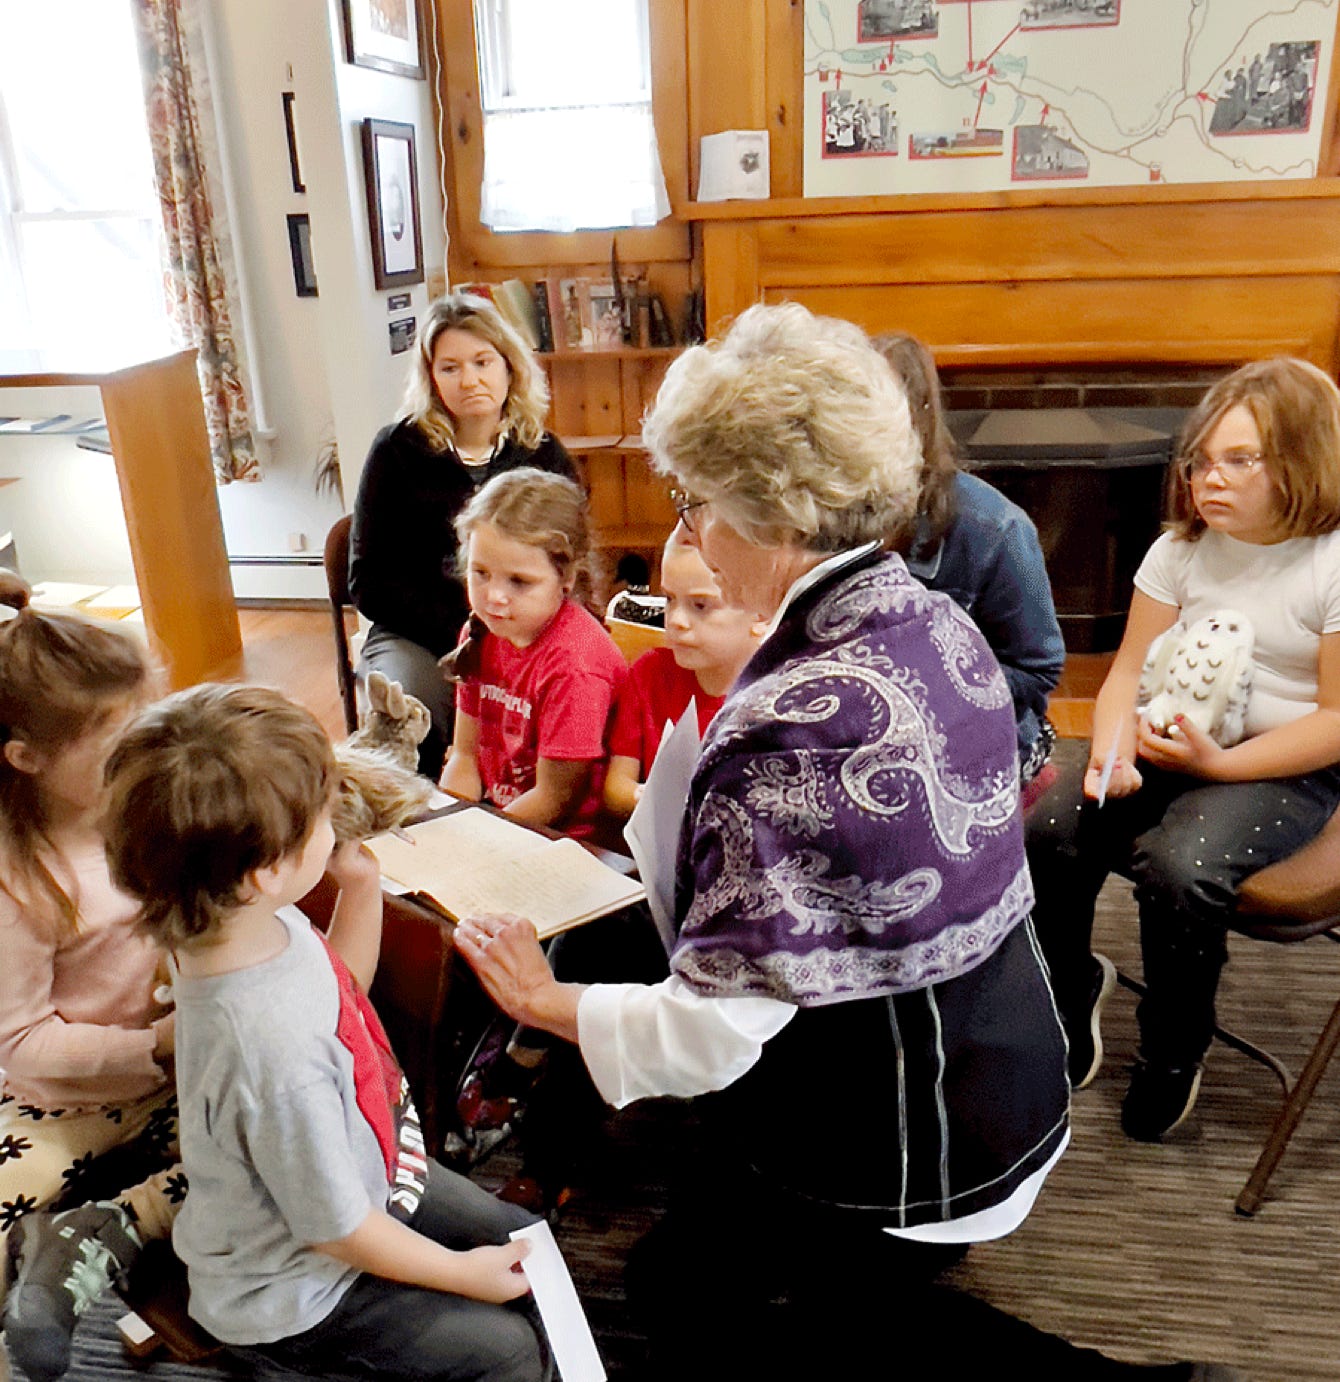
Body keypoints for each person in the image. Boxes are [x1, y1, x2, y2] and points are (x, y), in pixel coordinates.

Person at [454, 303, 1240, 1382]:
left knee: (690, 1290)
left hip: (922, 1124)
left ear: (770, 515)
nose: (687, 533)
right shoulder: (926, 614)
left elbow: (710, 1036)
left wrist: (535, 997)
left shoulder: (787, 721)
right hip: (1003, 1054)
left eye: (694, 504)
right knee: (726, 1245)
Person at [101, 683, 549, 1382]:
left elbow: (339, 996)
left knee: (523, 1241)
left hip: (359, 1172)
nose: (335, 818)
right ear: (265, 871)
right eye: (319, 816)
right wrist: (465, 1276)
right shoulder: (267, 1051)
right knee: (508, 1352)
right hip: (294, 1294)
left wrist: (360, 889)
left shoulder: (239, 928)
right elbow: (337, 1230)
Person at [1027, 356, 1340, 1140]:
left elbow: (1336, 718)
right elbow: (1126, 673)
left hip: (1283, 763)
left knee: (1182, 867)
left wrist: (1219, 766)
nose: (1211, 479)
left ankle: (1174, 1049)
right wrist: (1111, 753)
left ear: (1303, 459)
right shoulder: (1179, 550)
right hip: (1166, 745)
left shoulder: (1330, 563)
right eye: (1202, 461)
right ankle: (1070, 993)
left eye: (1241, 461)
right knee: (1047, 827)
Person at [0, 579, 181, 1382]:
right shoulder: (19, 884)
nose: (144, 761)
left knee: (279, 1139)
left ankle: (112, 1228)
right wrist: (153, 1045)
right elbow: (25, 1044)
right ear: (27, 758)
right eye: (117, 749)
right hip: (70, 1090)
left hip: (175, 1064)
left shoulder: (140, 804)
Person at [349, 291, 577, 780]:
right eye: (450, 367)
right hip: (419, 636)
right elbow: (368, 581)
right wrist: (463, 632)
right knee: (408, 708)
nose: (469, 380)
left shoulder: (544, 453)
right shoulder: (395, 450)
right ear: (431, 378)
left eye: (482, 362)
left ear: (508, 366)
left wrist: (508, 631)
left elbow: (570, 558)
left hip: (525, 629)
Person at [872, 331, 1065, 798]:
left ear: (916, 418)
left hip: (972, 741)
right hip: (872, 731)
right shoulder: (824, 514)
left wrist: (932, 688)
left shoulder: (996, 529)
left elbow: (1038, 669)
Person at [441, 468, 627, 839]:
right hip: (502, 820)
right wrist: (448, 827)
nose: (494, 597)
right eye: (480, 573)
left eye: (519, 581)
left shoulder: (576, 665)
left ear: (567, 577)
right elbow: (464, 756)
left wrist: (478, 839)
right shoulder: (481, 632)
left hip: (569, 841)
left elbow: (554, 798)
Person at [603, 531, 761, 818]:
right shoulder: (649, 674)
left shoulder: (774, 695)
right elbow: (616, 787)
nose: (675, 620)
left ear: (760, 615)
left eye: (700, 605)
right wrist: (646, 797)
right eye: (670, 599)